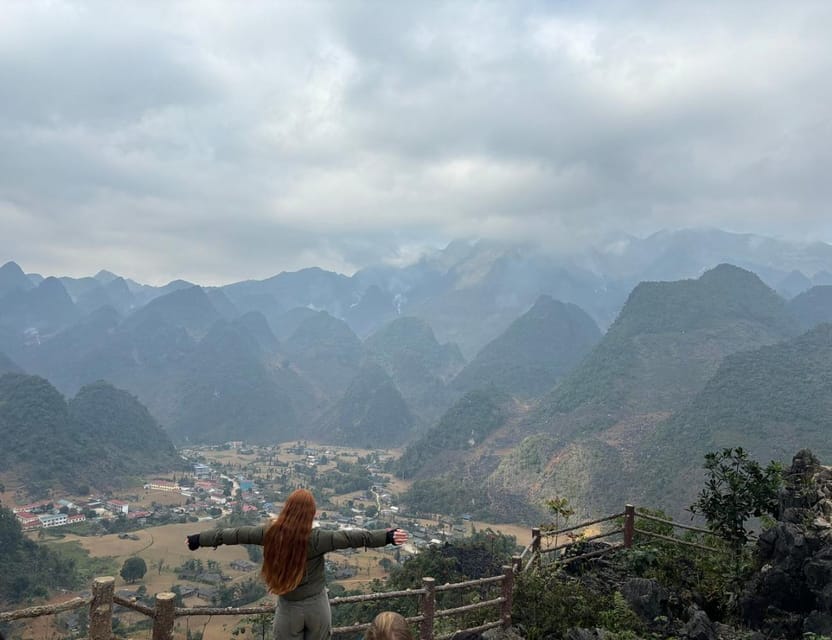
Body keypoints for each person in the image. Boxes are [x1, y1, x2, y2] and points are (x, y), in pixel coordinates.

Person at [185, 488, 407, 640]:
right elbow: (354, 537)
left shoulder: (269, 534)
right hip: (318, 607)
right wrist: (387, 536)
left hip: (288, 608)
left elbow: (232, 534)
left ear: (288, 509)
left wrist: (197, 540)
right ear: (311, 514)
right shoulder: (318, 538)